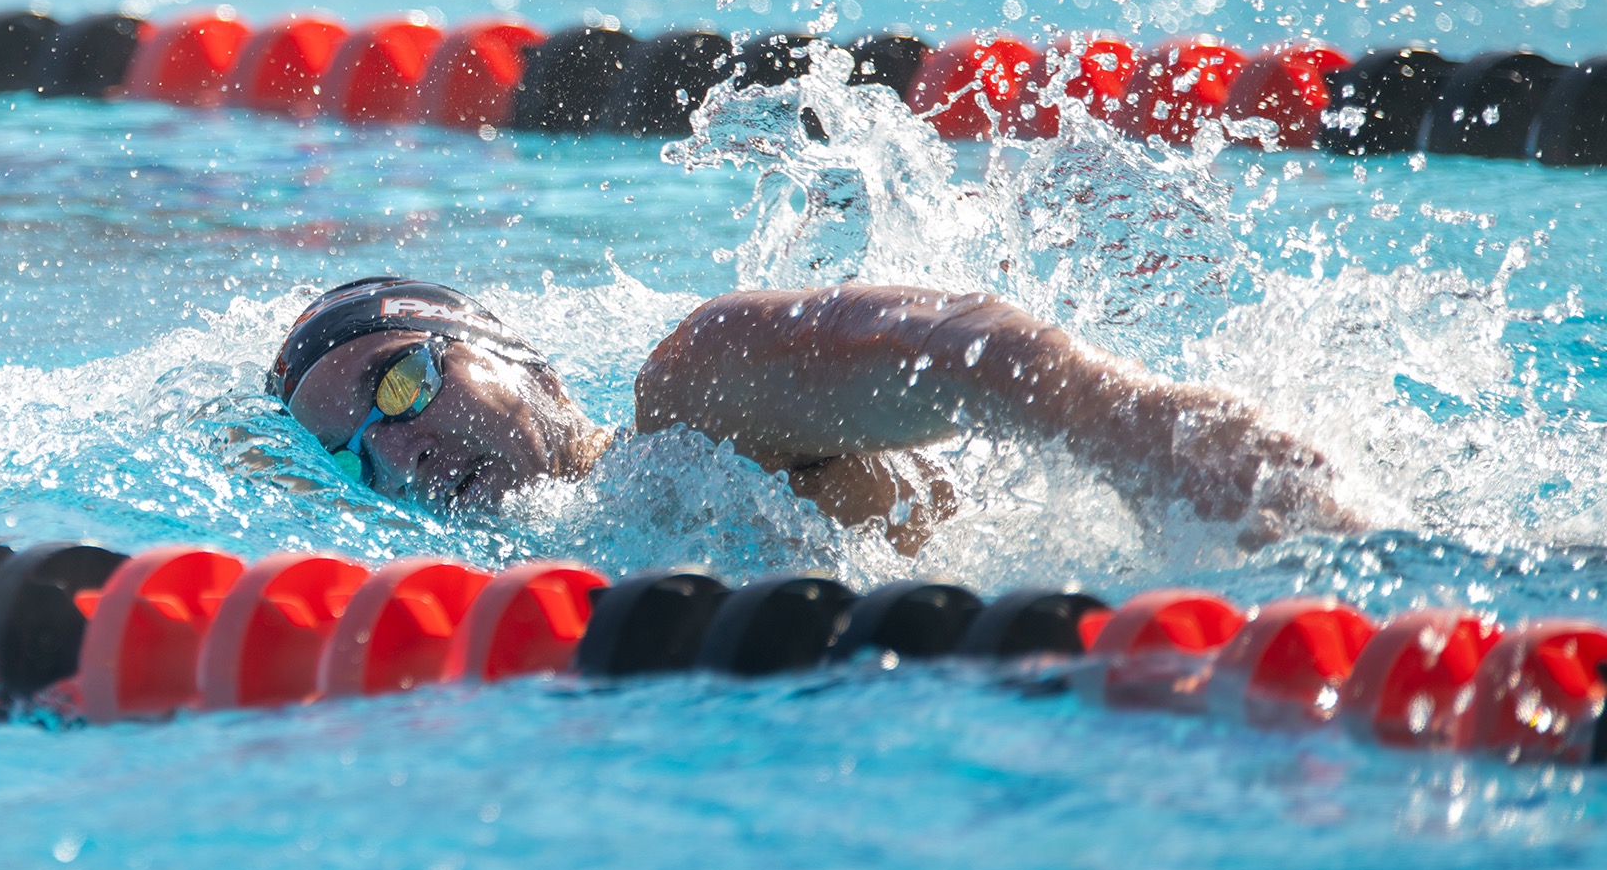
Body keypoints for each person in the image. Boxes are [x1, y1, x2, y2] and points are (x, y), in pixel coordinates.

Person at [267, 276, 1356, 554]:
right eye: (357, 453)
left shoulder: (694, 412)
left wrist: (1152, 448)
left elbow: (987, 354)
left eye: (400, 383)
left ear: (530, 367)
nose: (401, 448)